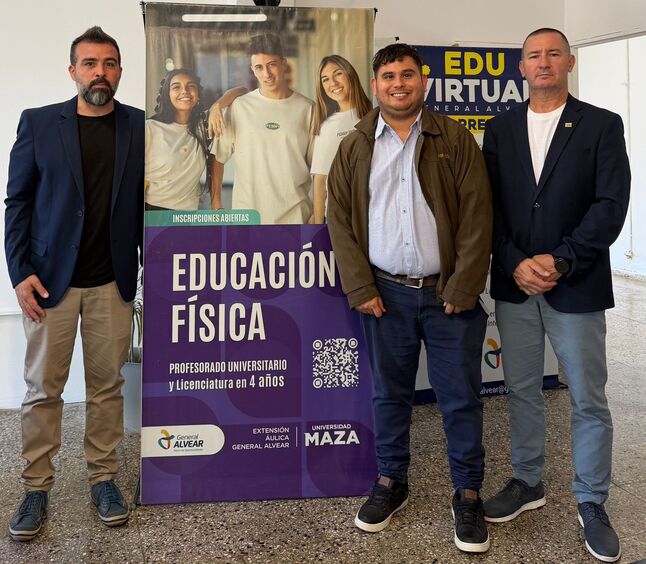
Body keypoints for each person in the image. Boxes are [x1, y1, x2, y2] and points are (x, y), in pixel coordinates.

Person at [327, 43, 492, 553]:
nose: (398, 84)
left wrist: (463, 285)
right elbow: (339, 219)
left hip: (447, 296)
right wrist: (360, 286)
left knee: (460, 399)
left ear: (423, 81)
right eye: (388, 76)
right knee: (389, 396)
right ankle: (391, 482)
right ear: (375, 84)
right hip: (385, 296)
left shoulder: (454, 137)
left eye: (407, 74)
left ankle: (468, 493)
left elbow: (477, 214)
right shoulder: (355, 144)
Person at [482, 28, 630, 563]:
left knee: (588, 397)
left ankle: (591, 500)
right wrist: (514, 260)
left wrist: (562, 259)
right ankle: (528, 482)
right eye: (533, 55)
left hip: (576, 283)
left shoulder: (602, 124)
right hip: (515, 284)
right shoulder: (499, 128)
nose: (542, 62)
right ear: (521, 67)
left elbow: (610, 205)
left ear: (569, 62)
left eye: (552, 54)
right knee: (522, 389)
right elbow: (488, 207)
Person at [4, 26, 144, 541]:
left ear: (120, 71)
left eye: (109, 63)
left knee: (107, 387)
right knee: (43, 389)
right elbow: (17, 202)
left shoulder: (140, 126)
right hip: (49, 284)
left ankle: (103, 479)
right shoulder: (39, 123)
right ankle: (35, 487)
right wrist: (20, 272)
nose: (99, 73)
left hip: (112, 281)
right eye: (89, 64)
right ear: (73, 71)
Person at [212, 32, 314, 224]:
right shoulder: (239, 107)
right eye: (259, 67)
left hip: (296, 218)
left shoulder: (308, 109)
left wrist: (317, 213)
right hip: (248, 219)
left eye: (272, 64)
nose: (266, 74)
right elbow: (218, 156)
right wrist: (216, 204)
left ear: (283, 63)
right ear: (252, 69)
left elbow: (319, 168)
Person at [145, 68, 247, 211]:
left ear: (198, 93)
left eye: (190, 86)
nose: (184, 91)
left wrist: (216, 106)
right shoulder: (150, 128)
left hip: (188, 215)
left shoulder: (203, 125)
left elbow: (242, 90)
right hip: (153, 212)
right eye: (176, 87)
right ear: (167, 94)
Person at [310, 55, 372, 224]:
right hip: (338, 220)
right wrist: (318, 226)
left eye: (338, 74)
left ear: (350, 74)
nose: (333, 83)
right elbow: (320, 181)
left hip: (373, 215)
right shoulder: (327, 126)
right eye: (325, 79)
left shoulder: (375, 116)